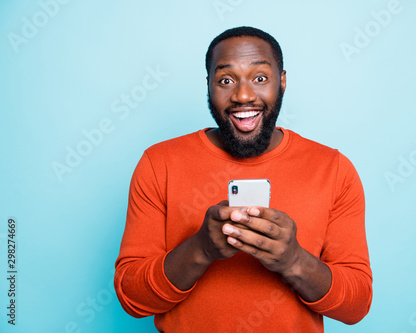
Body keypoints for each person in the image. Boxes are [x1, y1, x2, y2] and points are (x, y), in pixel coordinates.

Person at [114, 26, 372, 332]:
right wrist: (201, 249)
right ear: (208, 85)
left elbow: (356, 306)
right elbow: (132, 298)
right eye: (225, 80)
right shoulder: (159, 163)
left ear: (283, 82)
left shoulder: (333, 169)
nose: (243, 95)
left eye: (260, 78)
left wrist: (293, 261)